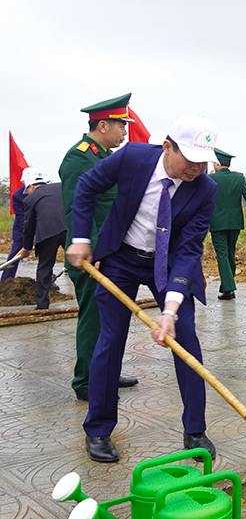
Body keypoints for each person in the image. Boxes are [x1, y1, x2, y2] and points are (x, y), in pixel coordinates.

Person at [66, 114, 220, 463]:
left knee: (186, 338)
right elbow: (87, 187)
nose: (197, 168)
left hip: (168, 263)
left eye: (204, 162)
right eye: (191, 159)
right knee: (110, 339)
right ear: (168, 147)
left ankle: (195, 428)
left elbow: (188, 250)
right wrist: (80, 238)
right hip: (120, 256)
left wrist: (169, 311)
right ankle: (99, 430)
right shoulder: (133, 157)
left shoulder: (206, 190)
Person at [59, 94, 139, 402]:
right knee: (94, 319)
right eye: (121, 125)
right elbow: (77, 208)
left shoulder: (104, 157)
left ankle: (105, 371)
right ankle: (87, 383)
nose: (125, 132)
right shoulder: (79, 157)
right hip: (93, 257)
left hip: (112, 253)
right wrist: (91, 253)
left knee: (111, 319)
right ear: (103, 125)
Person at [208, 148, 246, 300]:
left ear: (217, 164)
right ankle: (227, 286)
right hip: (235, 222)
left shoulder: (211, 179)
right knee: (230, 252)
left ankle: (228, 289)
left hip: (217, 222)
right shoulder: (239, 178)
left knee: (222, 254)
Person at [20, 174, 67, 309]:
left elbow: (28, 227)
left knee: (44, 267)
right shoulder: (60, 187)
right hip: (69, 228)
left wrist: (26, 248)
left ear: (30, 186)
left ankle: (42, 305)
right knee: (78, 264)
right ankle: (88, 300)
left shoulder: (30, 198)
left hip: (47, 234)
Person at [1, 167, 38, 281]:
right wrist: (29, 234)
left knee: (46, 253)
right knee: (15, 253)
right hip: (22, 228)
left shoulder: (44, 191)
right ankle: (6, 280)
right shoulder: (17, 196)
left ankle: (47, 281)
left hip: (42, 225)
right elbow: (22, 217)